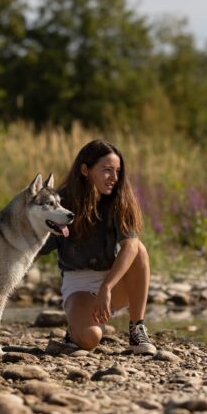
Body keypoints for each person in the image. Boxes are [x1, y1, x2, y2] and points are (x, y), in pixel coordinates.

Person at [38, 139, 157, 354]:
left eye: (117, 171)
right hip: (79, 284)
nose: (114, 177)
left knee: (138, 248)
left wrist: (107, 288)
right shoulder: (61, 201)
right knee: (90, 339)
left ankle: (137, 329)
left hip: (112, 280)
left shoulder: (120, 199)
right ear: (85, 169)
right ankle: (75, 328)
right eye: (107, 170)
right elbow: (37, 246)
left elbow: (129, 246)